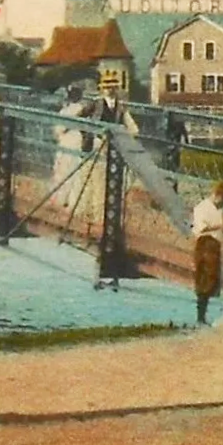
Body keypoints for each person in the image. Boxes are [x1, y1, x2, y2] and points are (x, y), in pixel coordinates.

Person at [91, 75, 139, 290]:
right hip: (102, 146)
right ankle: (100, 209)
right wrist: (99, 136)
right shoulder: (97, 103)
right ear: (102, 89)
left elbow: (133, 127)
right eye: (107, 87)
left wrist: (126, 136)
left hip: (116, 147)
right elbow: (91, 123)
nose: (110, 91)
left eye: (113, 87)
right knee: (101, 180)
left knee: (115, 182)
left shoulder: (121, 106)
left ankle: (110, 208)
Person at [190, 181, 223, 325]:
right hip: (205, 244)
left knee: (211, 280)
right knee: (205, 279)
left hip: (214, 245)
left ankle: (203, 315)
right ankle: (200, 316)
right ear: (218, 196)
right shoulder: (202, 208)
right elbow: (201, 228)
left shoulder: (217, 210)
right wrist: (222, 227)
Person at [51, 85, 89, 210]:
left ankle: (60, 199)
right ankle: (71, 200)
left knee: (62, 169)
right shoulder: (81, 109)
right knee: (74, 170)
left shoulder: (65, 110)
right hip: (76, 139)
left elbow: (58, 129)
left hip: (65, 140)